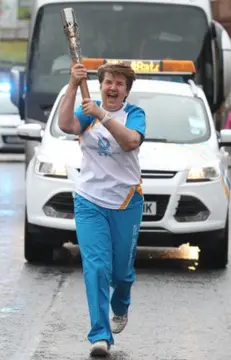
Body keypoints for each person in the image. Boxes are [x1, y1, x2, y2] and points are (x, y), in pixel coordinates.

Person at [58, 62, 145, 357]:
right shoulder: (88, 109)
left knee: (121, 273)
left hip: (125, 201)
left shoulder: (134, 114)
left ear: (126, 91)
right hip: (89, 200)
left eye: (119, 84)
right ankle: (99, 334)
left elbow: (130, 141)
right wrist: (72, 85)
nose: (113, 88)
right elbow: (66, 124)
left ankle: (121, 304)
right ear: (101, 85)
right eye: (109, 82)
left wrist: (103, 116)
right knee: (96, 268)